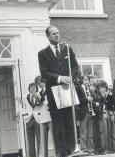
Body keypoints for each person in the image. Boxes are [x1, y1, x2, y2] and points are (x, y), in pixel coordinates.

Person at [38, 26, 79, 157]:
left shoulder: (67, 49)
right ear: (48, 36)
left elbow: (75, 66)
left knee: (70, 120)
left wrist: (71, 77)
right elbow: (44, 73)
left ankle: (72, 150)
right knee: (58, 123)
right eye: (54, 33)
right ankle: (61, 153)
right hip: (54, 91)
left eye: (58, 33)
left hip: (68, 89)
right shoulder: (43, 54)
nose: (57, 35)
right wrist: (60, 78)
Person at [76, 75, 95, 155]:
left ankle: (91, 150)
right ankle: (84, 150)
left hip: (90, 112)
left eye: (88, 80)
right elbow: (77, 101)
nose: (87, 81)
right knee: (83, 132)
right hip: (83, 113)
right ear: (82, 80)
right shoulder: (79, 88)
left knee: (90, 133)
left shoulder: (89, 89)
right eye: (86, 80)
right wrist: (87, 99)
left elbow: (92, 99)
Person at [35, 76, 53, 157]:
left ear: (43, 81)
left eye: (39, 83)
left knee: (53, 137)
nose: (39, 85)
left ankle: (57, 154)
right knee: (43, 139)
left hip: (50, 116)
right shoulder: (40, 92)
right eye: (37, 84)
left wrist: (40, 98)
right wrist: (38, 100)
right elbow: (38, 106)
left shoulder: (49, 90)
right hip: (42, 117)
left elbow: (49, 104)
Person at [25, 82, 41, 157]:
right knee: (30, 141)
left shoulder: (39, 96)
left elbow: (40, 105)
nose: (33, 89)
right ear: (29, 89)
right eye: (31, 88)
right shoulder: (25, 97)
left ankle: (40, 155)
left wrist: (38, 97)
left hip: (37, 120)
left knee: (39, 140)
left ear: (36, 89)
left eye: (34, 88)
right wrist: (24, 116)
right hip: (28, 120)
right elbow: (22, 108)